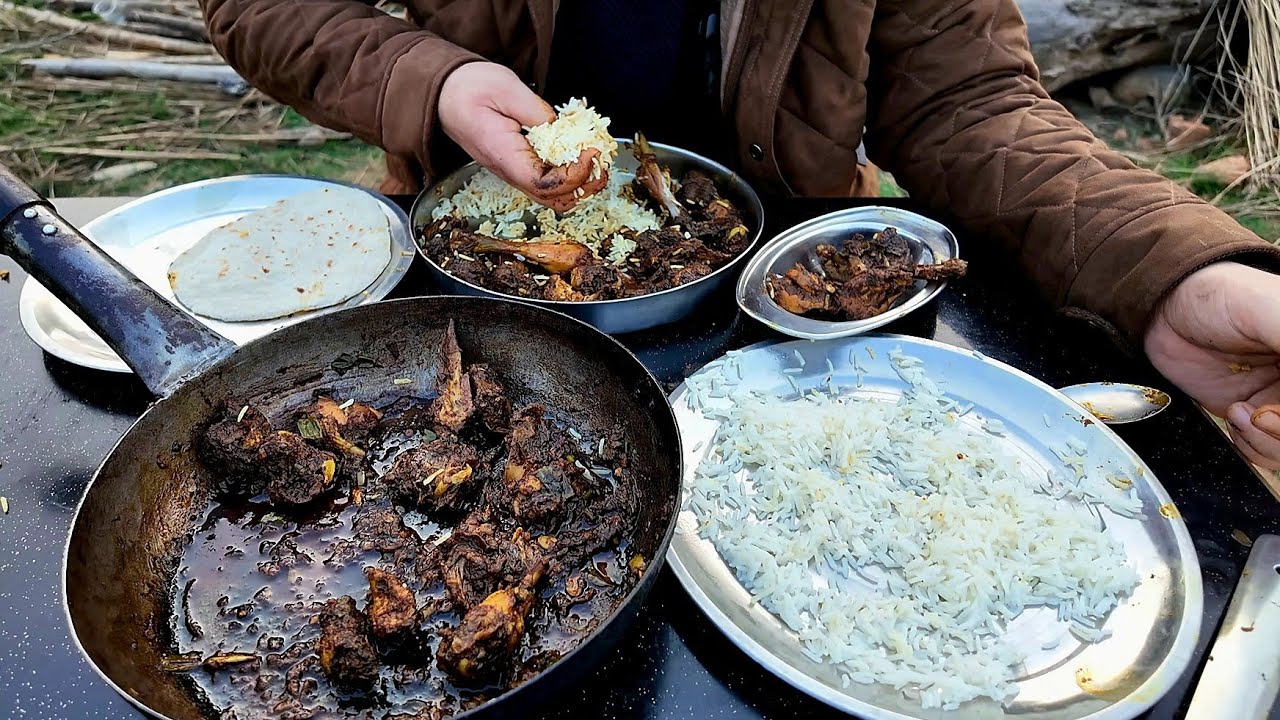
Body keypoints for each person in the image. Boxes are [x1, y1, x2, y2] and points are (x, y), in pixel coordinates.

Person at [202, 0, 1280, 468]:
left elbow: (971, 104)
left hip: (777, 317)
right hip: (474, 290)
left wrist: (1171, 270)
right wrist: (432, 82)